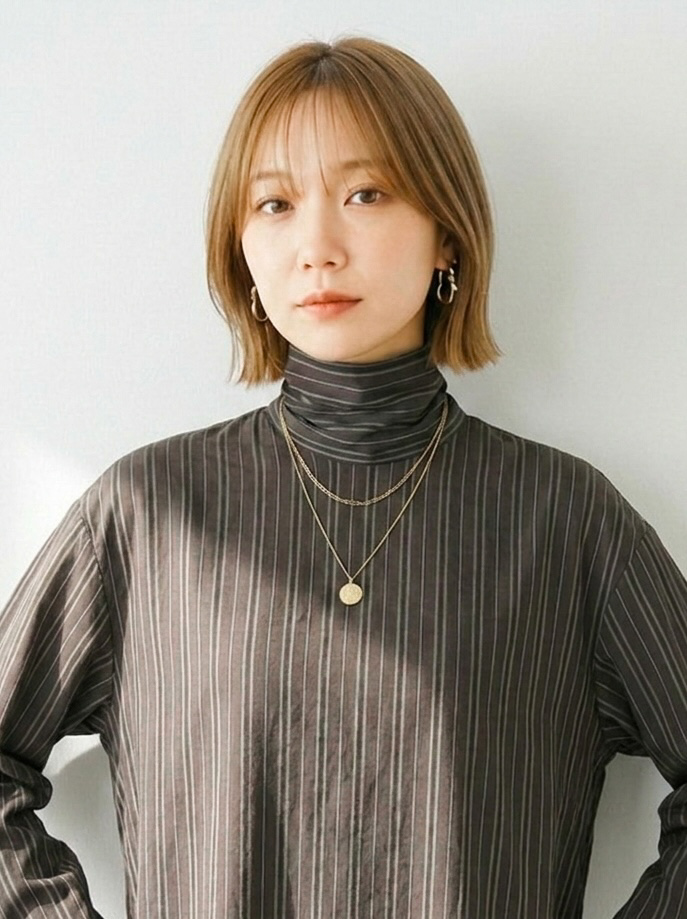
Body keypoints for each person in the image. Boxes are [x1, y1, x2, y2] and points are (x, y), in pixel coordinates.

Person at [0, 34, 685, 919]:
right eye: (275, 203)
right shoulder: (146, 514)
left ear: (446, 235)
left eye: (365, 194)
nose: (316, 246)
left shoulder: (563, 520)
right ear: (241, 249)